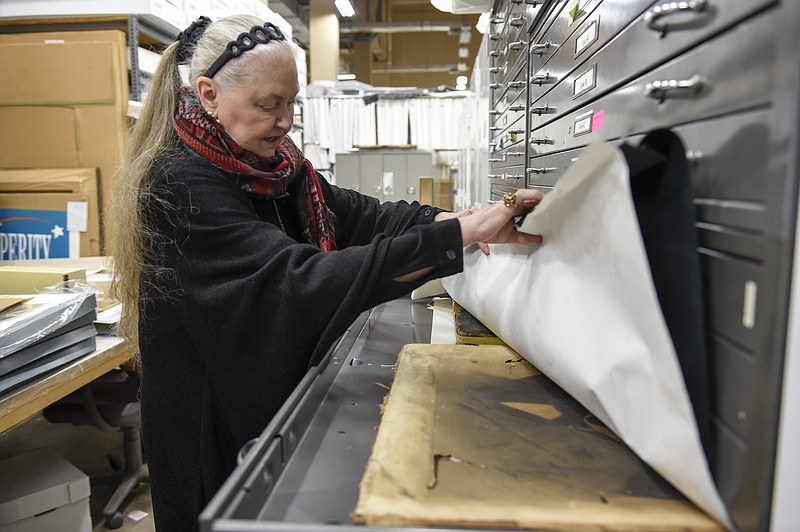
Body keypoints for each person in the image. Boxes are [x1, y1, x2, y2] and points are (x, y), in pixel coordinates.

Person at [107, 14, 543, 531]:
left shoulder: (275, 168)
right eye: (269, 105)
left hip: (252, 395)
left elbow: (363, 215)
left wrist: (456, 220)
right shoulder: (181, 181)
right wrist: (453, 240)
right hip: (207, 413)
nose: (286, 120)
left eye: (291, 103)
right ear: (208, 95)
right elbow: (293, 281)